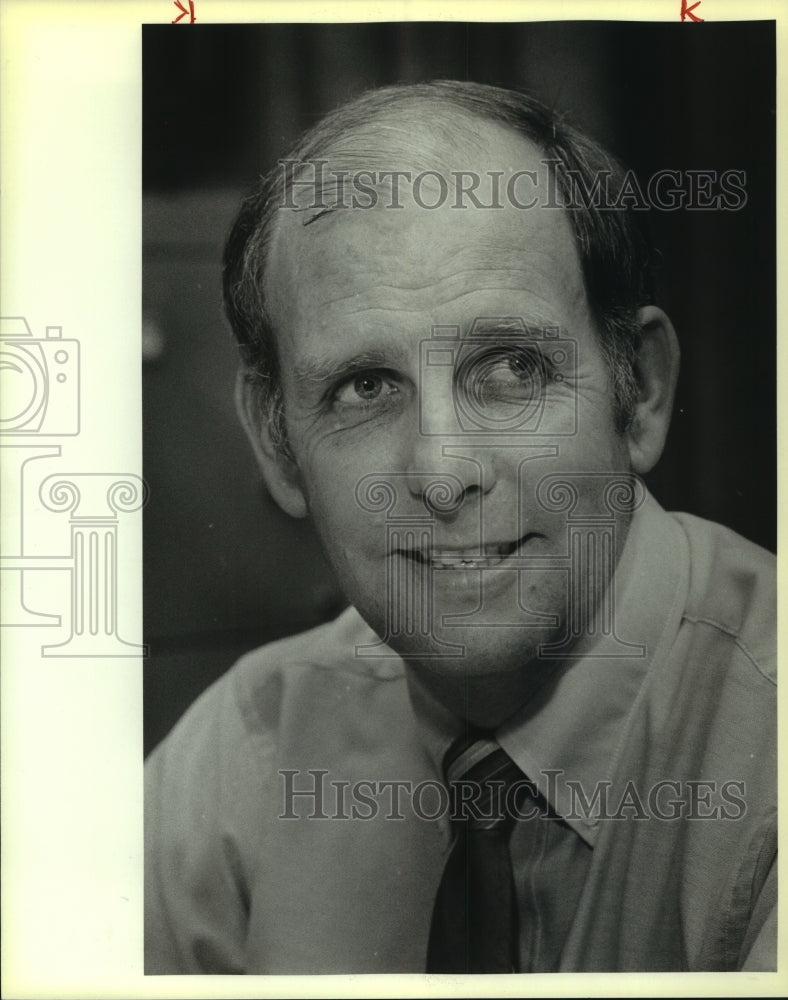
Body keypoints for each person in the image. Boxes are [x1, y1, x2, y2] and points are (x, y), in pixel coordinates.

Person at [144, 81, 776, 974]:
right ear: (278, 446)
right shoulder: (244, 753)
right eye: (364, 387)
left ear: (641, 393)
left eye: (511, 368)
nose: (442, 474)